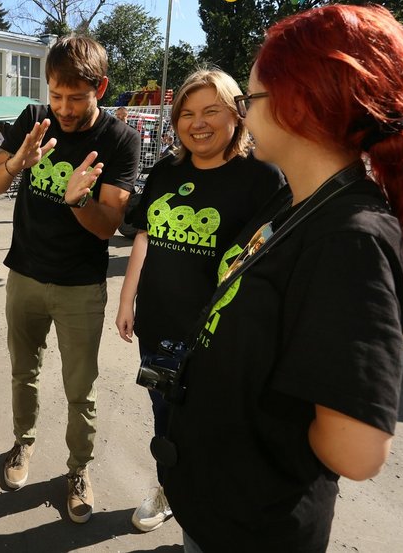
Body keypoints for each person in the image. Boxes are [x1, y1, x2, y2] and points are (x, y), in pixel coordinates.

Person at [160, 5, 403, 552]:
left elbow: (354, 448)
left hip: (254, 524)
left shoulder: (350, 239)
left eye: (251, 100)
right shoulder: (301, 203)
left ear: (300, 103)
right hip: (218, 505)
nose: (246, 114)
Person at [0, 34, 140, 524]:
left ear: (101, 88)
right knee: (22, 373)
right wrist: (15, 162)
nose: (64, 108)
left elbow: (108, 226)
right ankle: (22, 445)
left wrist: (78, 201)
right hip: (24, 275)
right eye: (56, 95)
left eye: (76, 97)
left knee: (80, 389)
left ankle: (78, 469)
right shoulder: (33, 120)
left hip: (79, 287)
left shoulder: (119, 140)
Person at [115, 69, 284, 533]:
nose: (198, 122)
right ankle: (169, 488)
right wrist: (128, 297)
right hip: (158, 323)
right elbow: (146, 233)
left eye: (211, 110)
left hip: (220, 335)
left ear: (237, 113)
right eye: (187, 113)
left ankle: (212, 500)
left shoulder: (263, 179)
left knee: (218, 422)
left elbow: (267, 264)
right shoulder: (167, 171)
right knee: (164, 414)